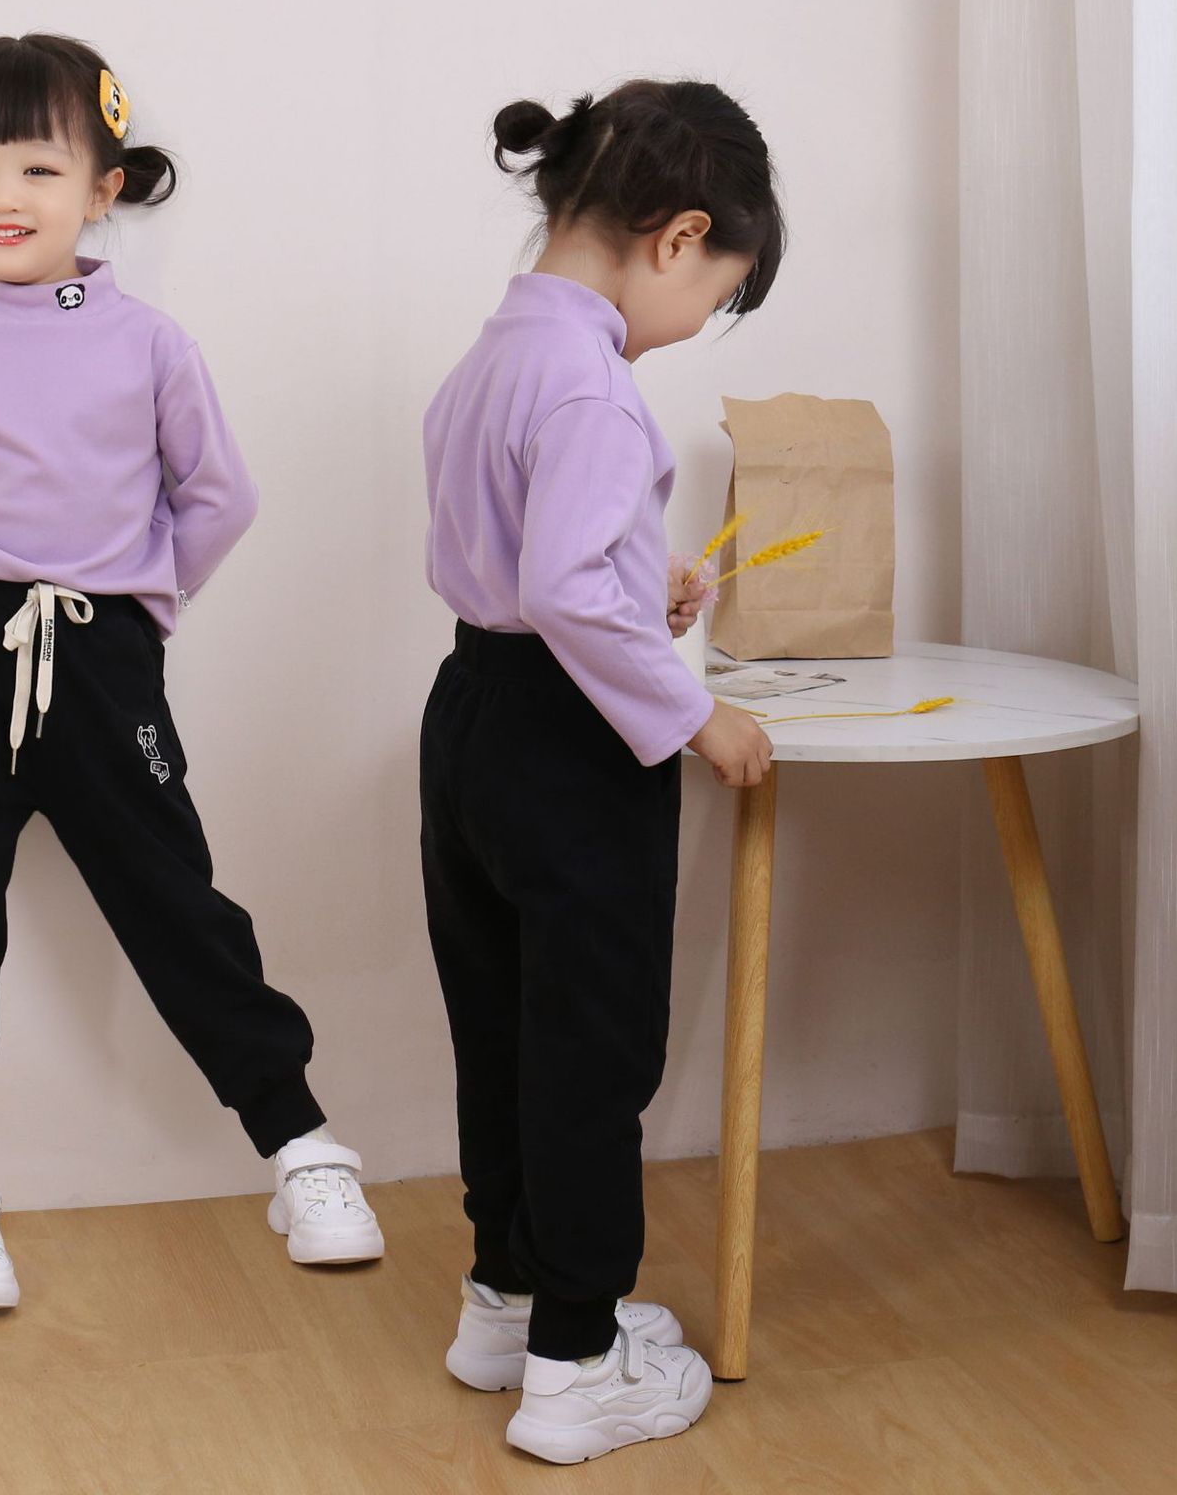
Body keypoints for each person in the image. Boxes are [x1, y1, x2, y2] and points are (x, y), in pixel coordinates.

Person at [0, 32, 382, 1312]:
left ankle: (300, 1146)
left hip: (102, 651)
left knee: (173, 898)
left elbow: (218, 498)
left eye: (37, 166)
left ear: (102, 187)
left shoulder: (149, 345)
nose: (1, 195)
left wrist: (139, 608)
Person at [420, 81, 783, 1462]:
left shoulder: (497, 353)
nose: (699, 322)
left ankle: (506, 1301)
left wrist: (646, 582)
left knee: (505, 1026)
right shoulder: (594, 387)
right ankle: (578, 1363)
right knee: (592, 1046)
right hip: (569, 747)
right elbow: (568, 589)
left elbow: (528, 560)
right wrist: (697, 716)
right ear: (679, 237)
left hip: (473, 714)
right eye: (718, 295)